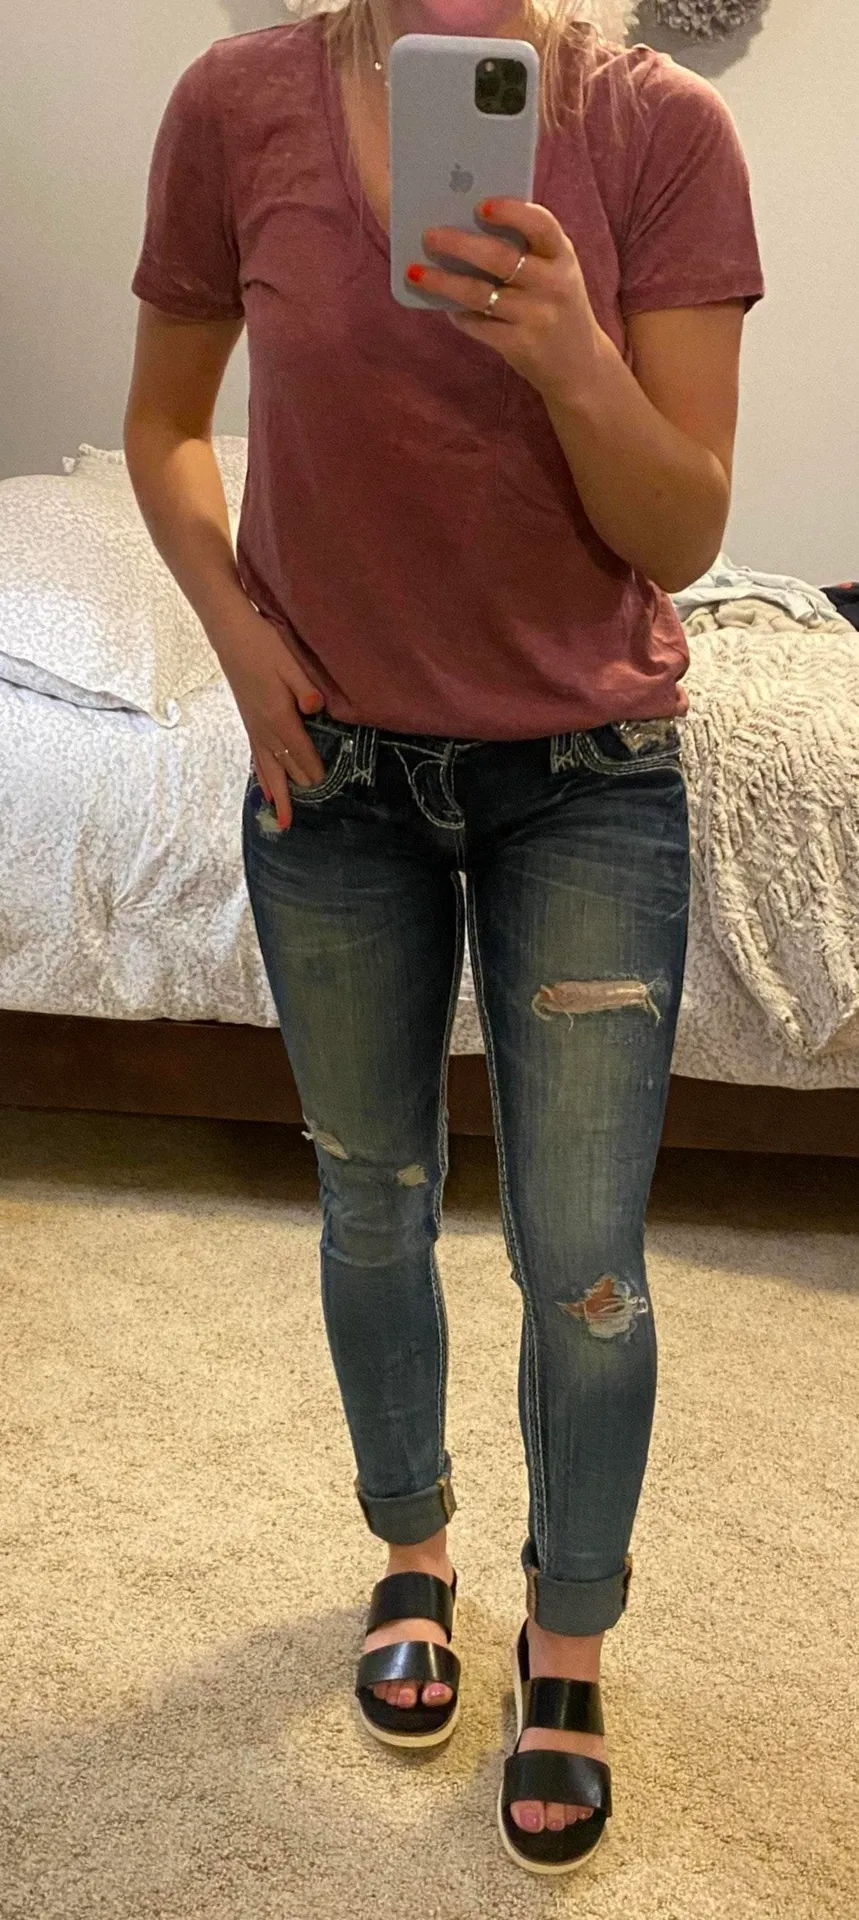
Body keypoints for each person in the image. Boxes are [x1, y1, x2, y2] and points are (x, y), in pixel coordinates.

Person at [125, 0, 763, 1876]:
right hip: (329, 773)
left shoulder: (658, 132)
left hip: (584, 779)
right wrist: (239, 640)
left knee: (585, 1263)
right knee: (369, 1199)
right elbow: (164, 423)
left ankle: (567, 1638)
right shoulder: (234, 104)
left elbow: (681, 529)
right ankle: (412, 1554)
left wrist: (570, 356)